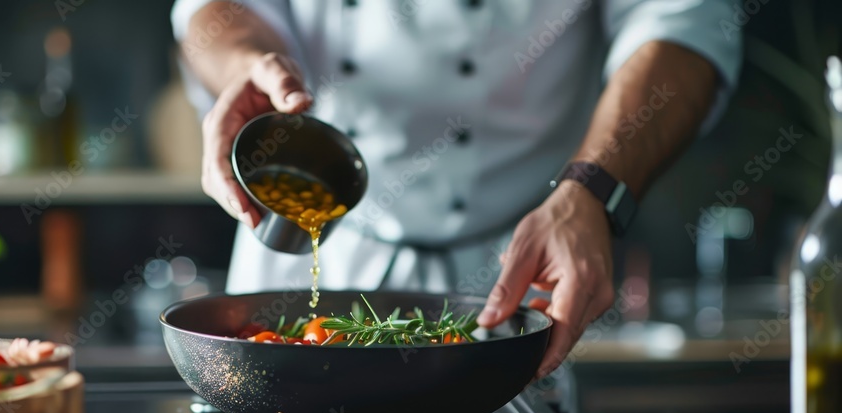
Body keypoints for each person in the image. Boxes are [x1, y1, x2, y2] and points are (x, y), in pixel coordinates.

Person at [172, 0, 741, 376]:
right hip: (315, 263)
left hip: (520, 269)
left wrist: (591, 190)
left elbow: (682, 20)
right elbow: (213, 12)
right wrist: (246, 63)